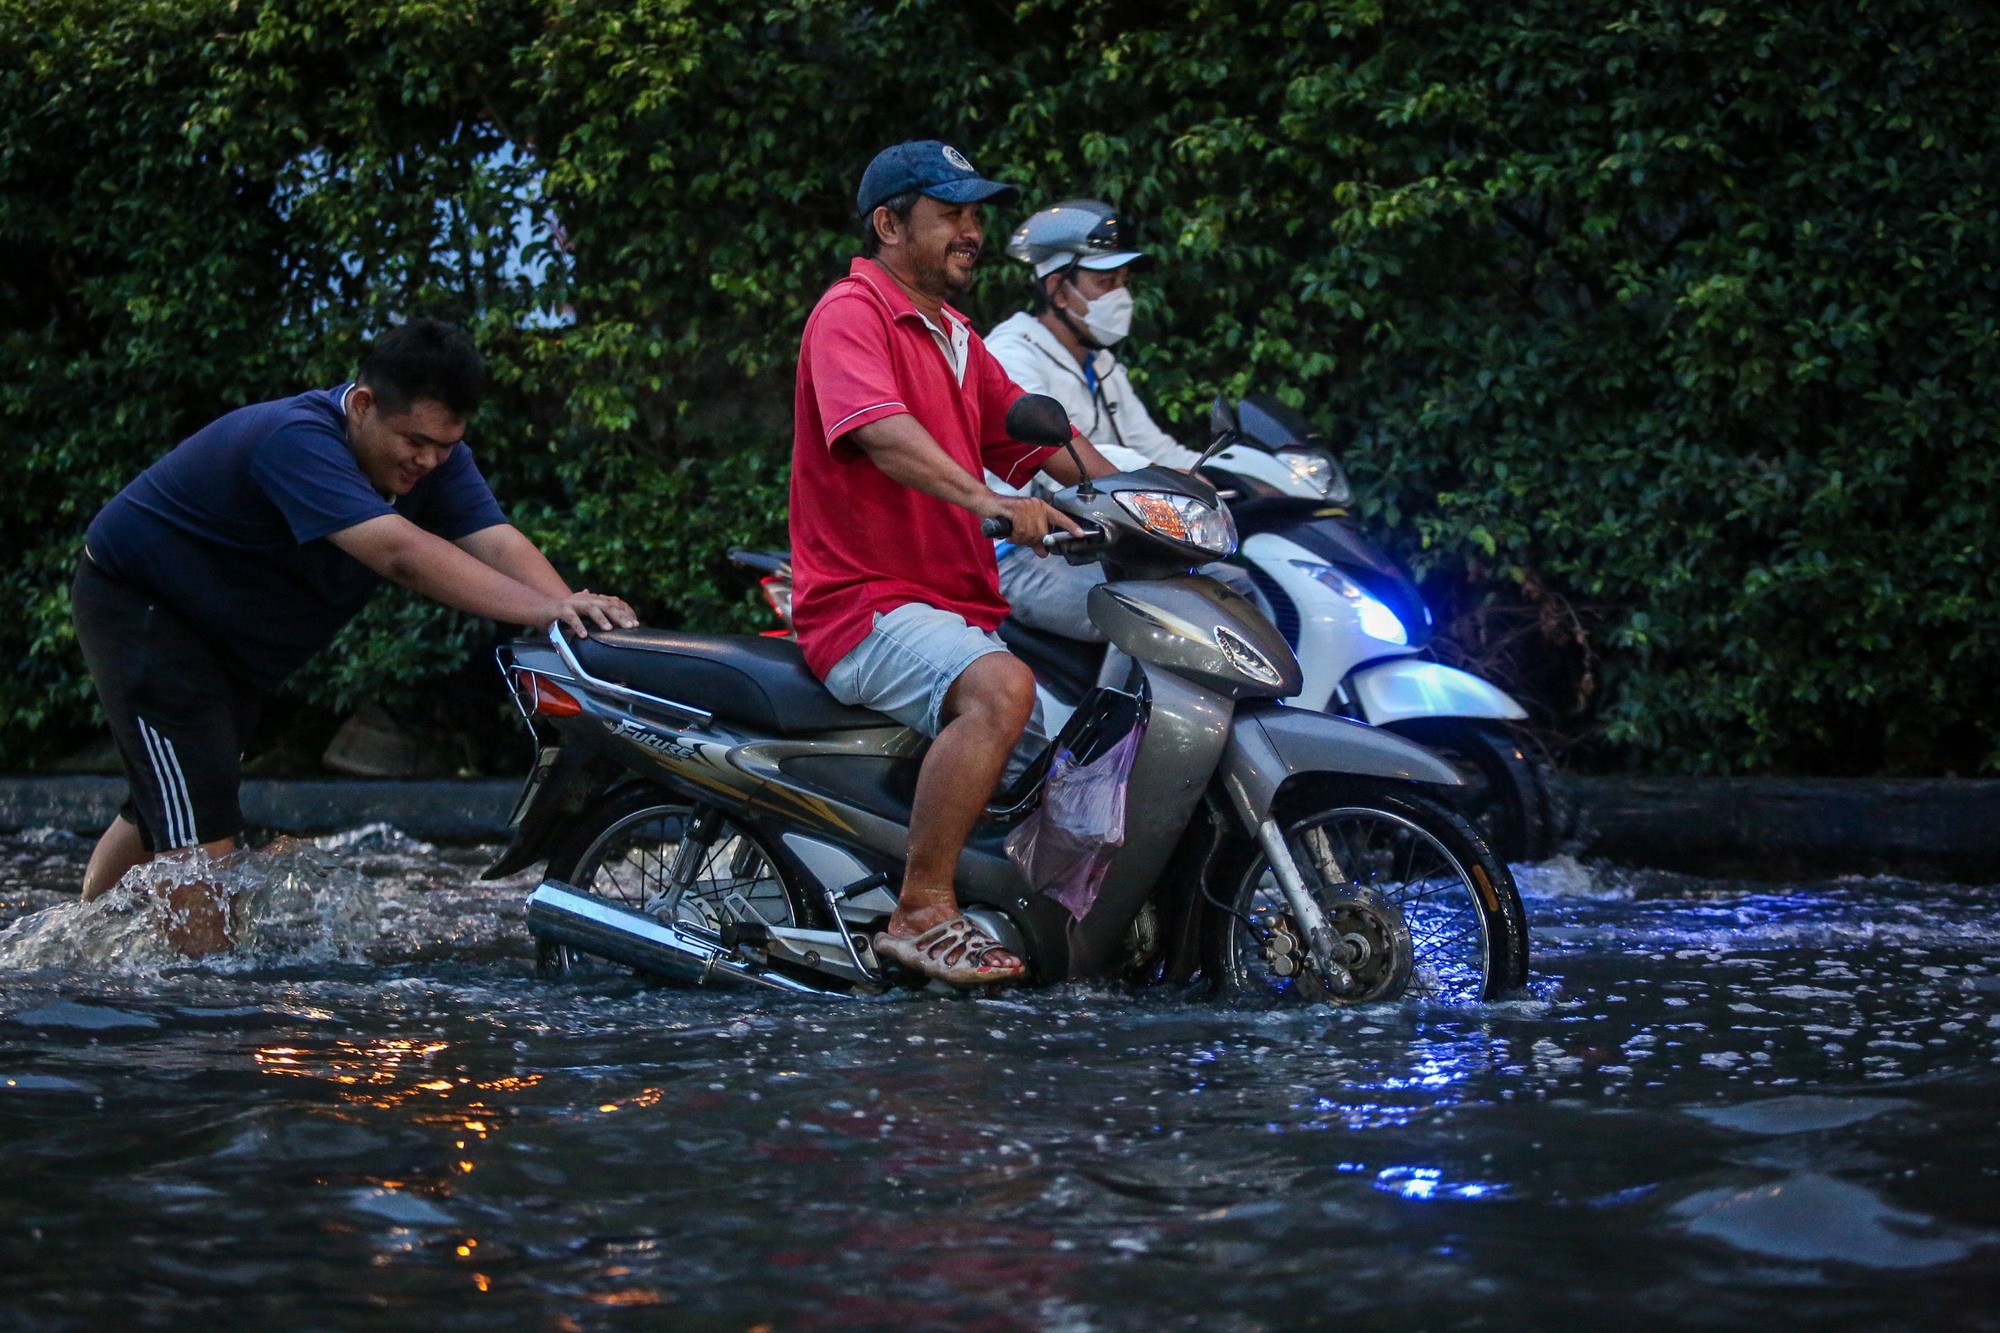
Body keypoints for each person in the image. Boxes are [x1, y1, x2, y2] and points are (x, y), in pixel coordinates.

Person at [72, 319, 638, 955]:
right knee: (197, 819)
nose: (428, 461)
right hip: (148, 610)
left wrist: (573, 617)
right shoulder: (296, 439)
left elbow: (495, 539)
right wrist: (545, 611)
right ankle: (209, 1004)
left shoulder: (436, 463)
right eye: (416, 442)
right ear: (364, 406)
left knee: (172, 797)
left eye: (447, 446)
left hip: (228, 636)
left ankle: (79, 940)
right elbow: (398, 552)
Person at [790, 141, 1115, 986]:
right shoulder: (851, 314)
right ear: (889, 223)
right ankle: (922, 907)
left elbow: (1041, 432)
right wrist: (991, 500)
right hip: (864, 605)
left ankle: (999, 903)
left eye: (977, 216)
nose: (971, 232)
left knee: (1069, 748)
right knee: (1002, 689)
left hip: (946, 607)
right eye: (951, 215)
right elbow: (881, 433)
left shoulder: (958, 337)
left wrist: (1147, 504)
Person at [985, 199, 1255, 640]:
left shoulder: (1102, 365)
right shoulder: (1012, 356)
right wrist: (1162, 477)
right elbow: (1062, 462)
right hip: (1025, 553)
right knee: (1154, 617)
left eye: (1123, 282)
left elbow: (1153, 445)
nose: (1120, 296)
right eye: (1105, 282)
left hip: (1103, 543)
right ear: (1057, 289)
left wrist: (1239, 471)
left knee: (1234, 590)